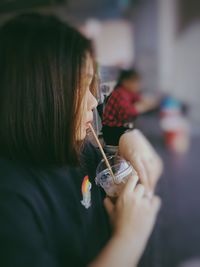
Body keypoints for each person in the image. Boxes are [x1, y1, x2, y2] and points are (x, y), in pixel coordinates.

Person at [0, 14, 161, 267]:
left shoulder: (79, 148)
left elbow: (117, 176)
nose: (94, 102)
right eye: (80, 86)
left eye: (91, 86)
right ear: (37, 95)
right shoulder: (10, 201)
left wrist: (126, 138)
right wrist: (129, 238)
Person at [102, 69, 159, 145]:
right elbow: (129, 113)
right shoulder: (120, 94)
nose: (138, 85)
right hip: (113, 132)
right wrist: (143, 107)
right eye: (135, 82)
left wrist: (148, 102)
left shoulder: (127, 91)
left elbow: (139, 98)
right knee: (144, 139)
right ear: (125, 82)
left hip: (119, 129)